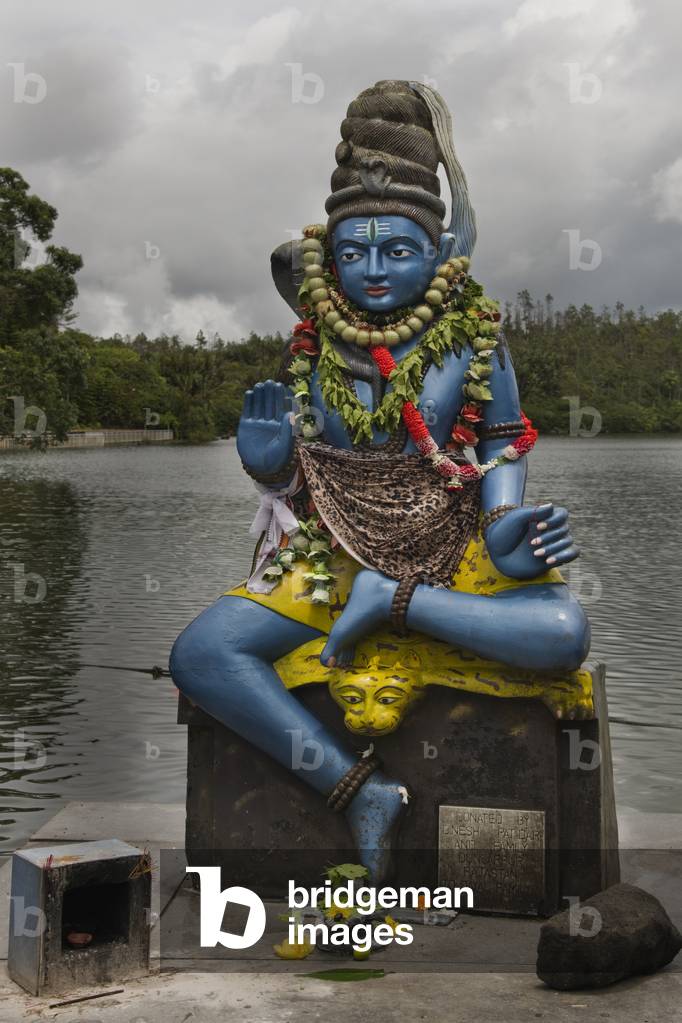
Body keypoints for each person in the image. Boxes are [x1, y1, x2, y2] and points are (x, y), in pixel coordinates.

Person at [170, 80, 589, 881]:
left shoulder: (472, 336)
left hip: (451, 538)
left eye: (396, 251)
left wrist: (507, 526)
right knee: (203, 653)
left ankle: (400, 603)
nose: (370, 271)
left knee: (564, 632)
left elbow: (501, 439)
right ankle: (357, 787)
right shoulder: (315, 341)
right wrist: (269, 465)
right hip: (333, 555)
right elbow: (302, 472)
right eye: (352, 252)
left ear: (435, 255)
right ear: (329, 256)